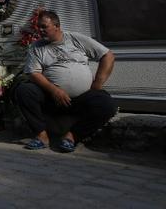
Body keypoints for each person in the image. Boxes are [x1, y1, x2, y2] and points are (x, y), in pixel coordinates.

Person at [14, 10, 117, 153]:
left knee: (107, 105)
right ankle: (42, 136)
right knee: (24, 90)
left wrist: (97, 85)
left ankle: (72, 137)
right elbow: (33, 73)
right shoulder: (36, 47)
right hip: (52, 99)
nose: (40, 30)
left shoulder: (75, 39)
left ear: (57, 26)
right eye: (39, 27)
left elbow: (107, 56)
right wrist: (54, 90)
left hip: (82, 98)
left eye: (44, 27)